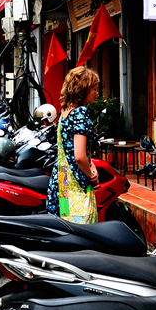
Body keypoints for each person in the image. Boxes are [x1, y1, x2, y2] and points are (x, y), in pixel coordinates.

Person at [46, 66, 101, 223]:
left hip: (61, 180)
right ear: (83, 89)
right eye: (94, 89)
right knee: (80, 228)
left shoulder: (65, 112)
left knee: (64, 225)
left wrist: (91, 165)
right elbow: (79, 156)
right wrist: (91, 175)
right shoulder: (79, 114)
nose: (96, 93)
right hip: (75, 183)